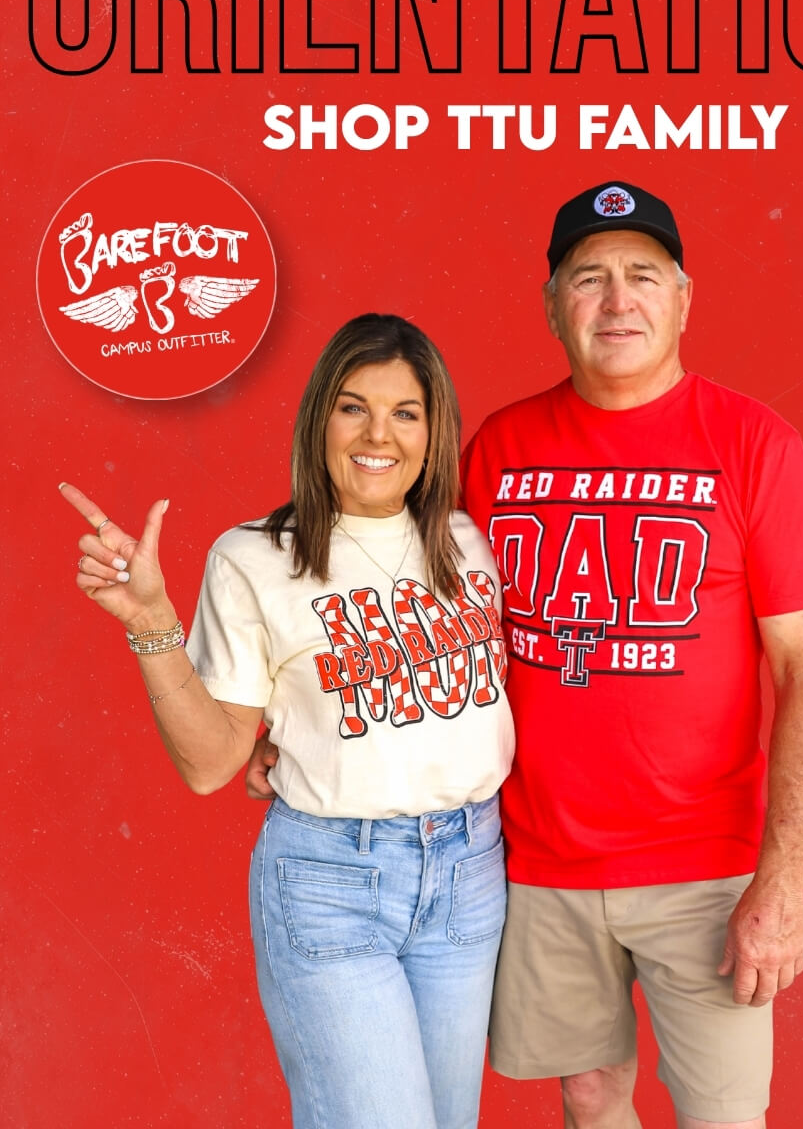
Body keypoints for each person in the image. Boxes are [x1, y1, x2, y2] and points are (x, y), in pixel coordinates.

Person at [247, 182, 803, 1128]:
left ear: (684, 297)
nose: (618, 301)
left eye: (642, 276)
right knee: (588, 1097)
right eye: (590, 278)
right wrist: (290, 719)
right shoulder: (496, 450)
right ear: (552, 306)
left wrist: (784, 882)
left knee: (726, 1116)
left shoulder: (754, 445)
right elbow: (382, 590)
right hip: (535, 862)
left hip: (703, 868)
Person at [61, 313, 514, 1129]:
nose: (380, 434)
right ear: (319, 421)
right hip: (333, 881)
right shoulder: (257, 557)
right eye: (353, 407)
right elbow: (210, 763)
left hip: (469, 874)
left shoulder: (467, 539)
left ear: (433, 427)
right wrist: (150, 621)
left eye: (405, 412)